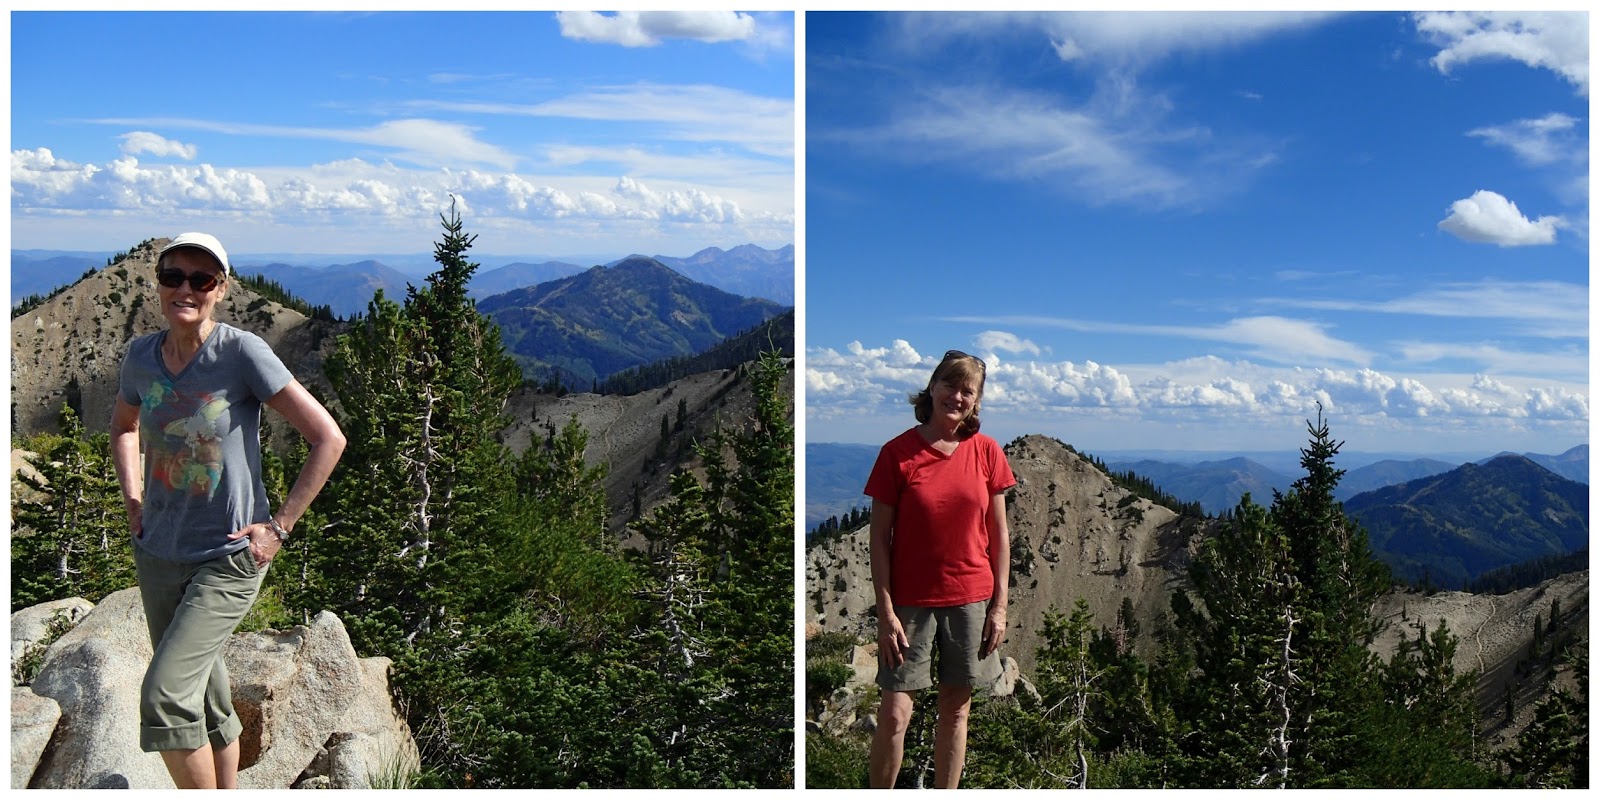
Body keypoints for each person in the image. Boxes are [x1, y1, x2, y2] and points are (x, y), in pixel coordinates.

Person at [110, 232, 346, 789]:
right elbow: (122, 426)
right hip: (159, 550)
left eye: (202, 279)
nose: (185, 289)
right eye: (174, 277)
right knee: (203, 690)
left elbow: (328, 438)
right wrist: (133, 499)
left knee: (166, 695)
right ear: (158, 284)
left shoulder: (242, 353)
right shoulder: (141, 356)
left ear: (221, 289)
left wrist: (279, 527)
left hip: (228, 555)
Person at [864, 349, 1016, 789]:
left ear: (977, 401)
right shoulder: (897, 454)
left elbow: (999, 535)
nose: (957, 396)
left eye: (968, 390)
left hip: (971, 598)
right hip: (910, 602)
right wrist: (886, 613)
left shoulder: (987, 451)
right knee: (895, 713)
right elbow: (879, 539)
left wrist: (999, 607)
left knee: (956, 710)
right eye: (950, 385)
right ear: (931, 388)